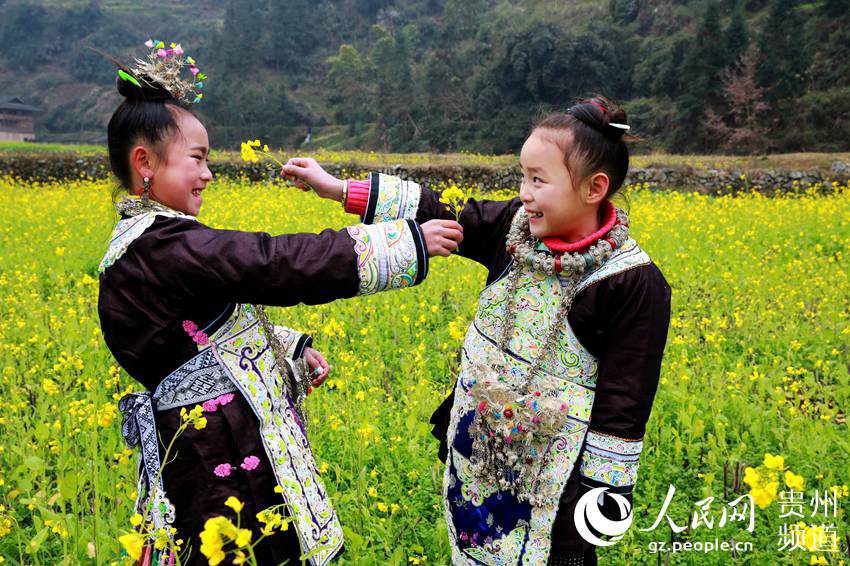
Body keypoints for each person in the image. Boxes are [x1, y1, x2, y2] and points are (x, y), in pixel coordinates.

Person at [98, 40, 462, 565]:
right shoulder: (159, 244)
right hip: (216, 447)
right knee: (246, 548)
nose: (207, 174)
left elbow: (193, 337)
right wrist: (403, 243)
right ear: (145, 163)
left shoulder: (154, 241)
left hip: (220, 429)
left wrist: (289, 348)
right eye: (197, 159)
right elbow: (272, 263)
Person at [281, 96, 672, 565]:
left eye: (538, 180)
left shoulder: (632, 282)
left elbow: (623, 409)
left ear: (594, 188)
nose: (525, 192)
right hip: (477, 450)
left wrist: (595, 508)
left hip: (555, 483)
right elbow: (440, 210)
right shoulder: (513, 228)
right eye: (523, 177)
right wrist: (339, 189)